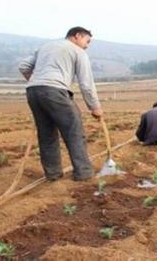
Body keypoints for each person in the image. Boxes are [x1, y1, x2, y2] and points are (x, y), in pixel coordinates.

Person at [18, 26, 103, 181]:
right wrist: (95, 107)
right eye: (87, 41)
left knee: (46, 134)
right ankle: (84, 173)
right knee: (74, 131)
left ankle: (53, 174)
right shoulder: (78, 52)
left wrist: (37, 81)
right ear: (77, 36)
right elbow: (86, 84)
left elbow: (23, 66)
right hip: (55, 91)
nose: (87, 46)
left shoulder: (46, 47)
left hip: (33, 92)